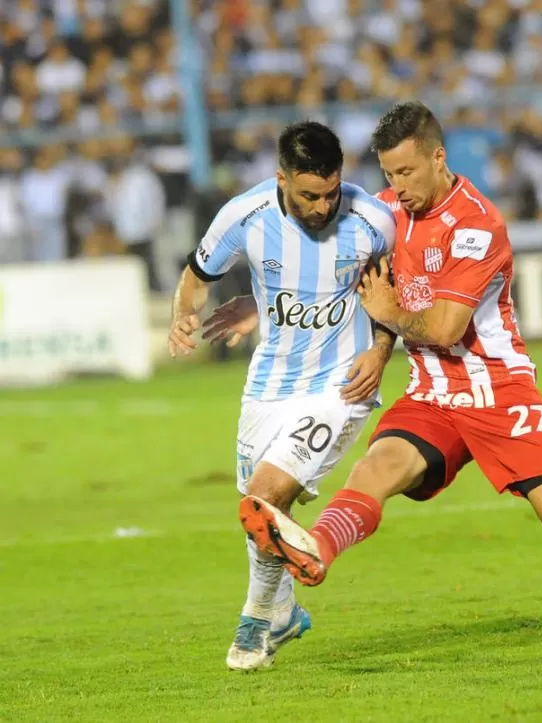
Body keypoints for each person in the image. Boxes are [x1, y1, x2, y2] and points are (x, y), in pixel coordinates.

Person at [237, 101, 542, 657]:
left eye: (407, 172)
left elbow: (444, 327)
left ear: (438, 157)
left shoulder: (477, 224)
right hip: (432, 394)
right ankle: (313, 549)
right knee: (376, 469)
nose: (397, 187)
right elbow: (333, 274)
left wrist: (389, 315)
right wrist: (263, 309)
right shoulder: (389, 213)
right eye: (389, 175)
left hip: (498, 392)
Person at [167, 121, 397, 670]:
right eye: (309, 195)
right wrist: (184, 314)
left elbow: (394, 290)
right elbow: (197, 275)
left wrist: (382, 348)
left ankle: (251, 628)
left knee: (267, 492)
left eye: (331, 192)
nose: (322, 207)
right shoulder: (243, 216)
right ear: (281, 179)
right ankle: (284, 612)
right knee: (258, 512)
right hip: (268, 384)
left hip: (342, 385)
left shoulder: (372, 220)